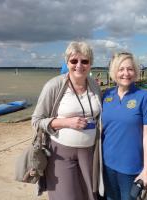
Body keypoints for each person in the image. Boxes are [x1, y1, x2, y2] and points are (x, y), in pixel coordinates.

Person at [32, 41, 104, 200]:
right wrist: (66, 122)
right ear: (67, 62)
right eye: (74, 61)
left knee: (89, 194)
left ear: (90, 64)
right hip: (61, 152)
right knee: (66, 196)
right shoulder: (54, 85)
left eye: (84, 61)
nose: (79, 65)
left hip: (89, 151)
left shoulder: (94, 85)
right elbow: (37, 120)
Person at [102, 52, 147, 200]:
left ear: (136, 72)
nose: (126, 73)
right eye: (121, 69)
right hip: (106, 164)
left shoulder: (145, 97)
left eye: (130, 69)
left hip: (131, 167)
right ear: (114, 72)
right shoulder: (106, 95)